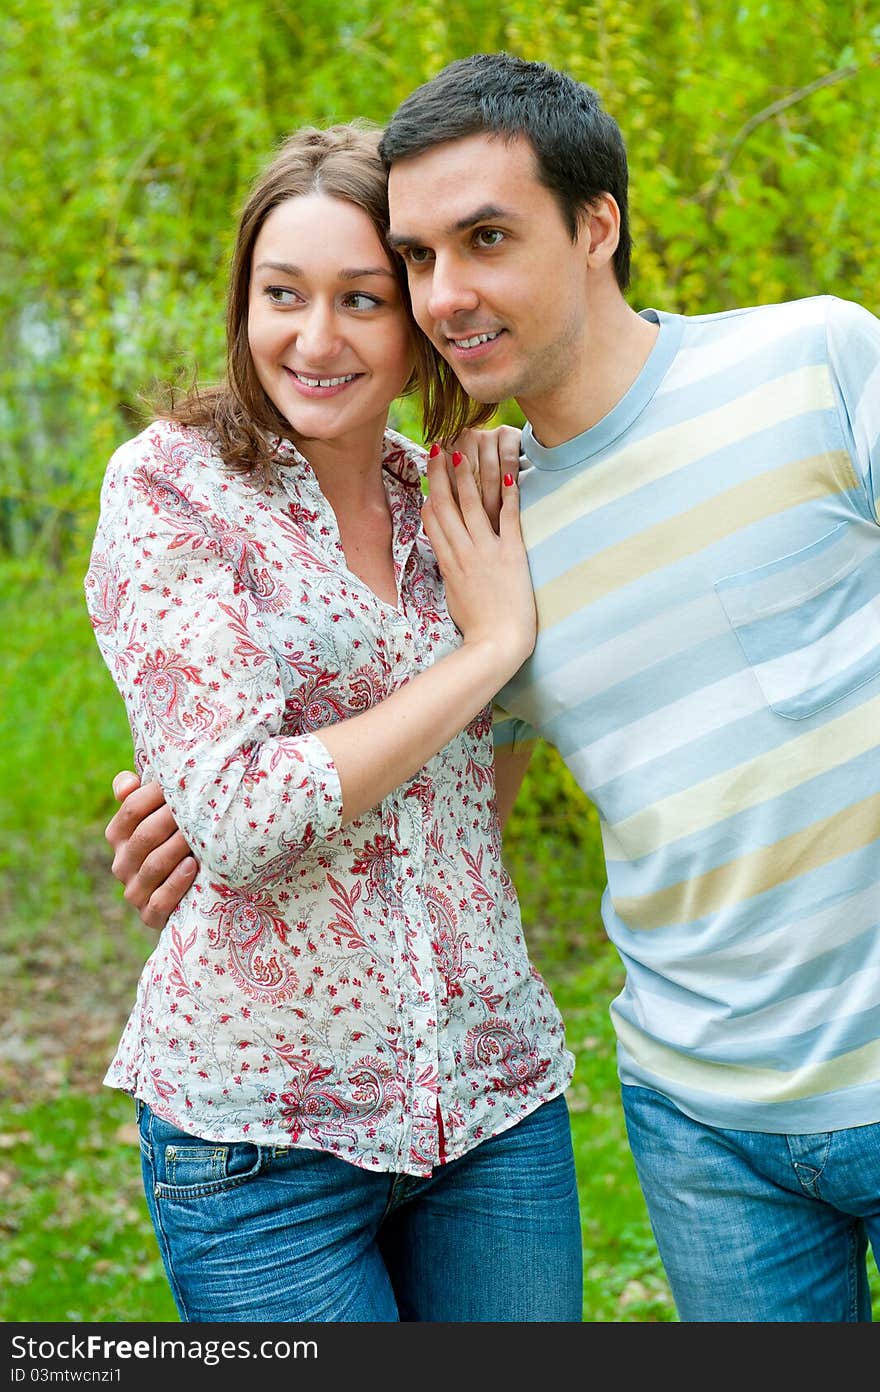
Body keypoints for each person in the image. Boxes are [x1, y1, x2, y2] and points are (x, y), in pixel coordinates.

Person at [110, 53, 880, 1323]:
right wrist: (192, 805)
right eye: (417, 259)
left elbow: (455, 780)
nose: (444, 293)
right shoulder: (448, 518)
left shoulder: (797, 368)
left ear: (596, 225)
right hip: (698, 1123)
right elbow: (384, 785)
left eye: (476, 242)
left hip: (548, 1102)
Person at [83, 118, 583, 1324]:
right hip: (262, 1141)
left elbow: (478, 800)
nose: (315, 339)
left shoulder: (458, 501)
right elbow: (248, 818)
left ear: (419, 314)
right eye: (281, 294)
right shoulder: (172, 486)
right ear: (242, 301)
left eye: (363, 298)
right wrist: (489, 650)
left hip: (493, 1103)